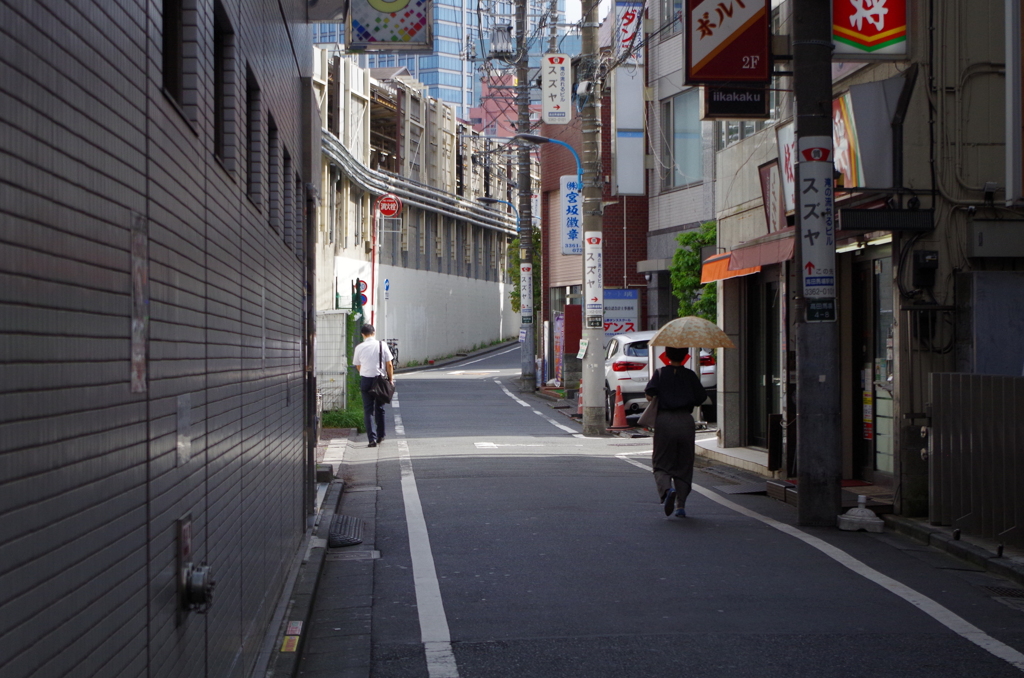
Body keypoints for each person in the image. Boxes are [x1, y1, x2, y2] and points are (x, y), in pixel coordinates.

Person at [644, 346, 707, 517]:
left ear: (666, 355)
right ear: (686, 356)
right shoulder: (690, 375)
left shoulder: (660, 373)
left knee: (661, 462)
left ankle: (667, 489)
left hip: (664, 421)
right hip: (685, 421)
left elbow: (649, 395)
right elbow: (701, 397)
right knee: (684, 463)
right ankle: (681, 505)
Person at [352, 323, 394, 447]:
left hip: (366, 380)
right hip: (379, 380)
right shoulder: (382, 345)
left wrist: (365, 372)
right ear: (374, 332)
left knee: (368, 410)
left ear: (362, 335)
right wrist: (390, 379)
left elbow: (358, 365)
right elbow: (389, 364)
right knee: (380, 408)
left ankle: (371, 439)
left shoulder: (359, 347)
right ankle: (381, 435)